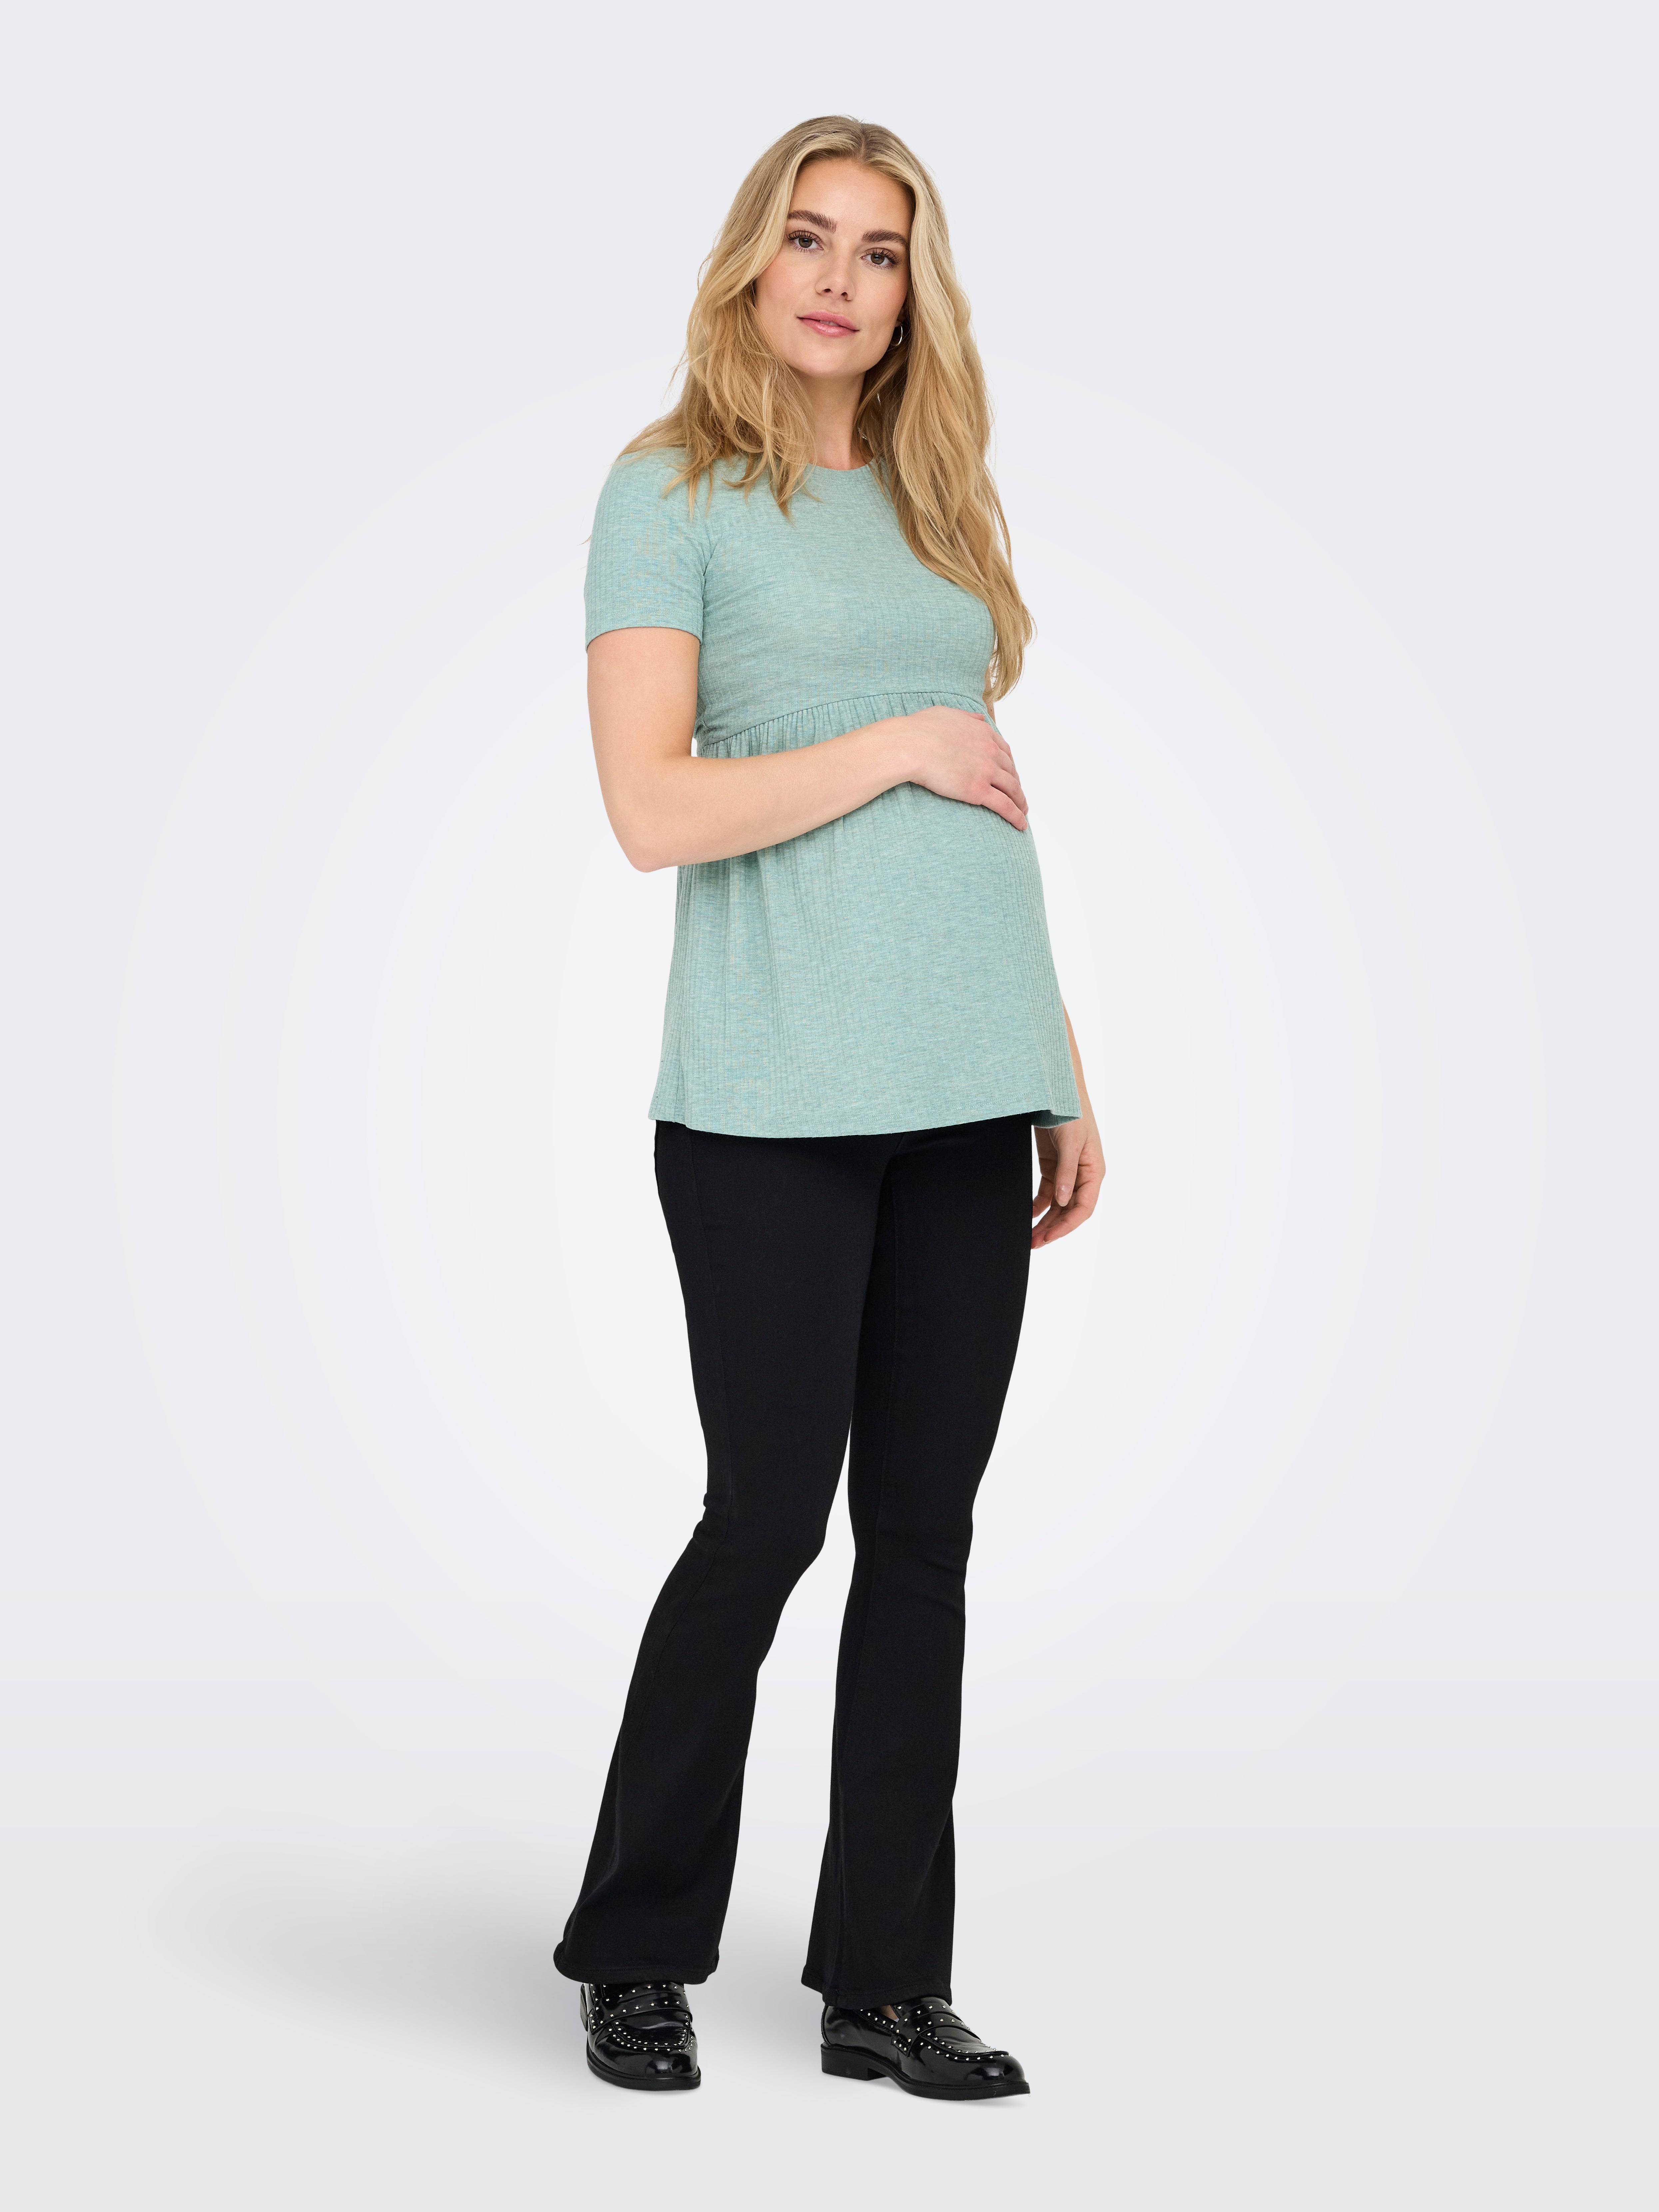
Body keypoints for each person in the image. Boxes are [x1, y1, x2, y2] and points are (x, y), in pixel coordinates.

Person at [555, 115, 1102, 2102]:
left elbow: (987, 804)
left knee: (924, 1543)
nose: (839, 280)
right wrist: (894, 741)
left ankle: (885, 1983)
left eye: (879, 252)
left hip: (972, 1086)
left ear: (908, 297)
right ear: (750, 260)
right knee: (768, 1519)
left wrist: (1057, 1064)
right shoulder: (668, 491)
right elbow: (649, 810)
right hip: (771, 1094)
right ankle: (635, 1952)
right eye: (808, 237)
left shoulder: (943, 503)